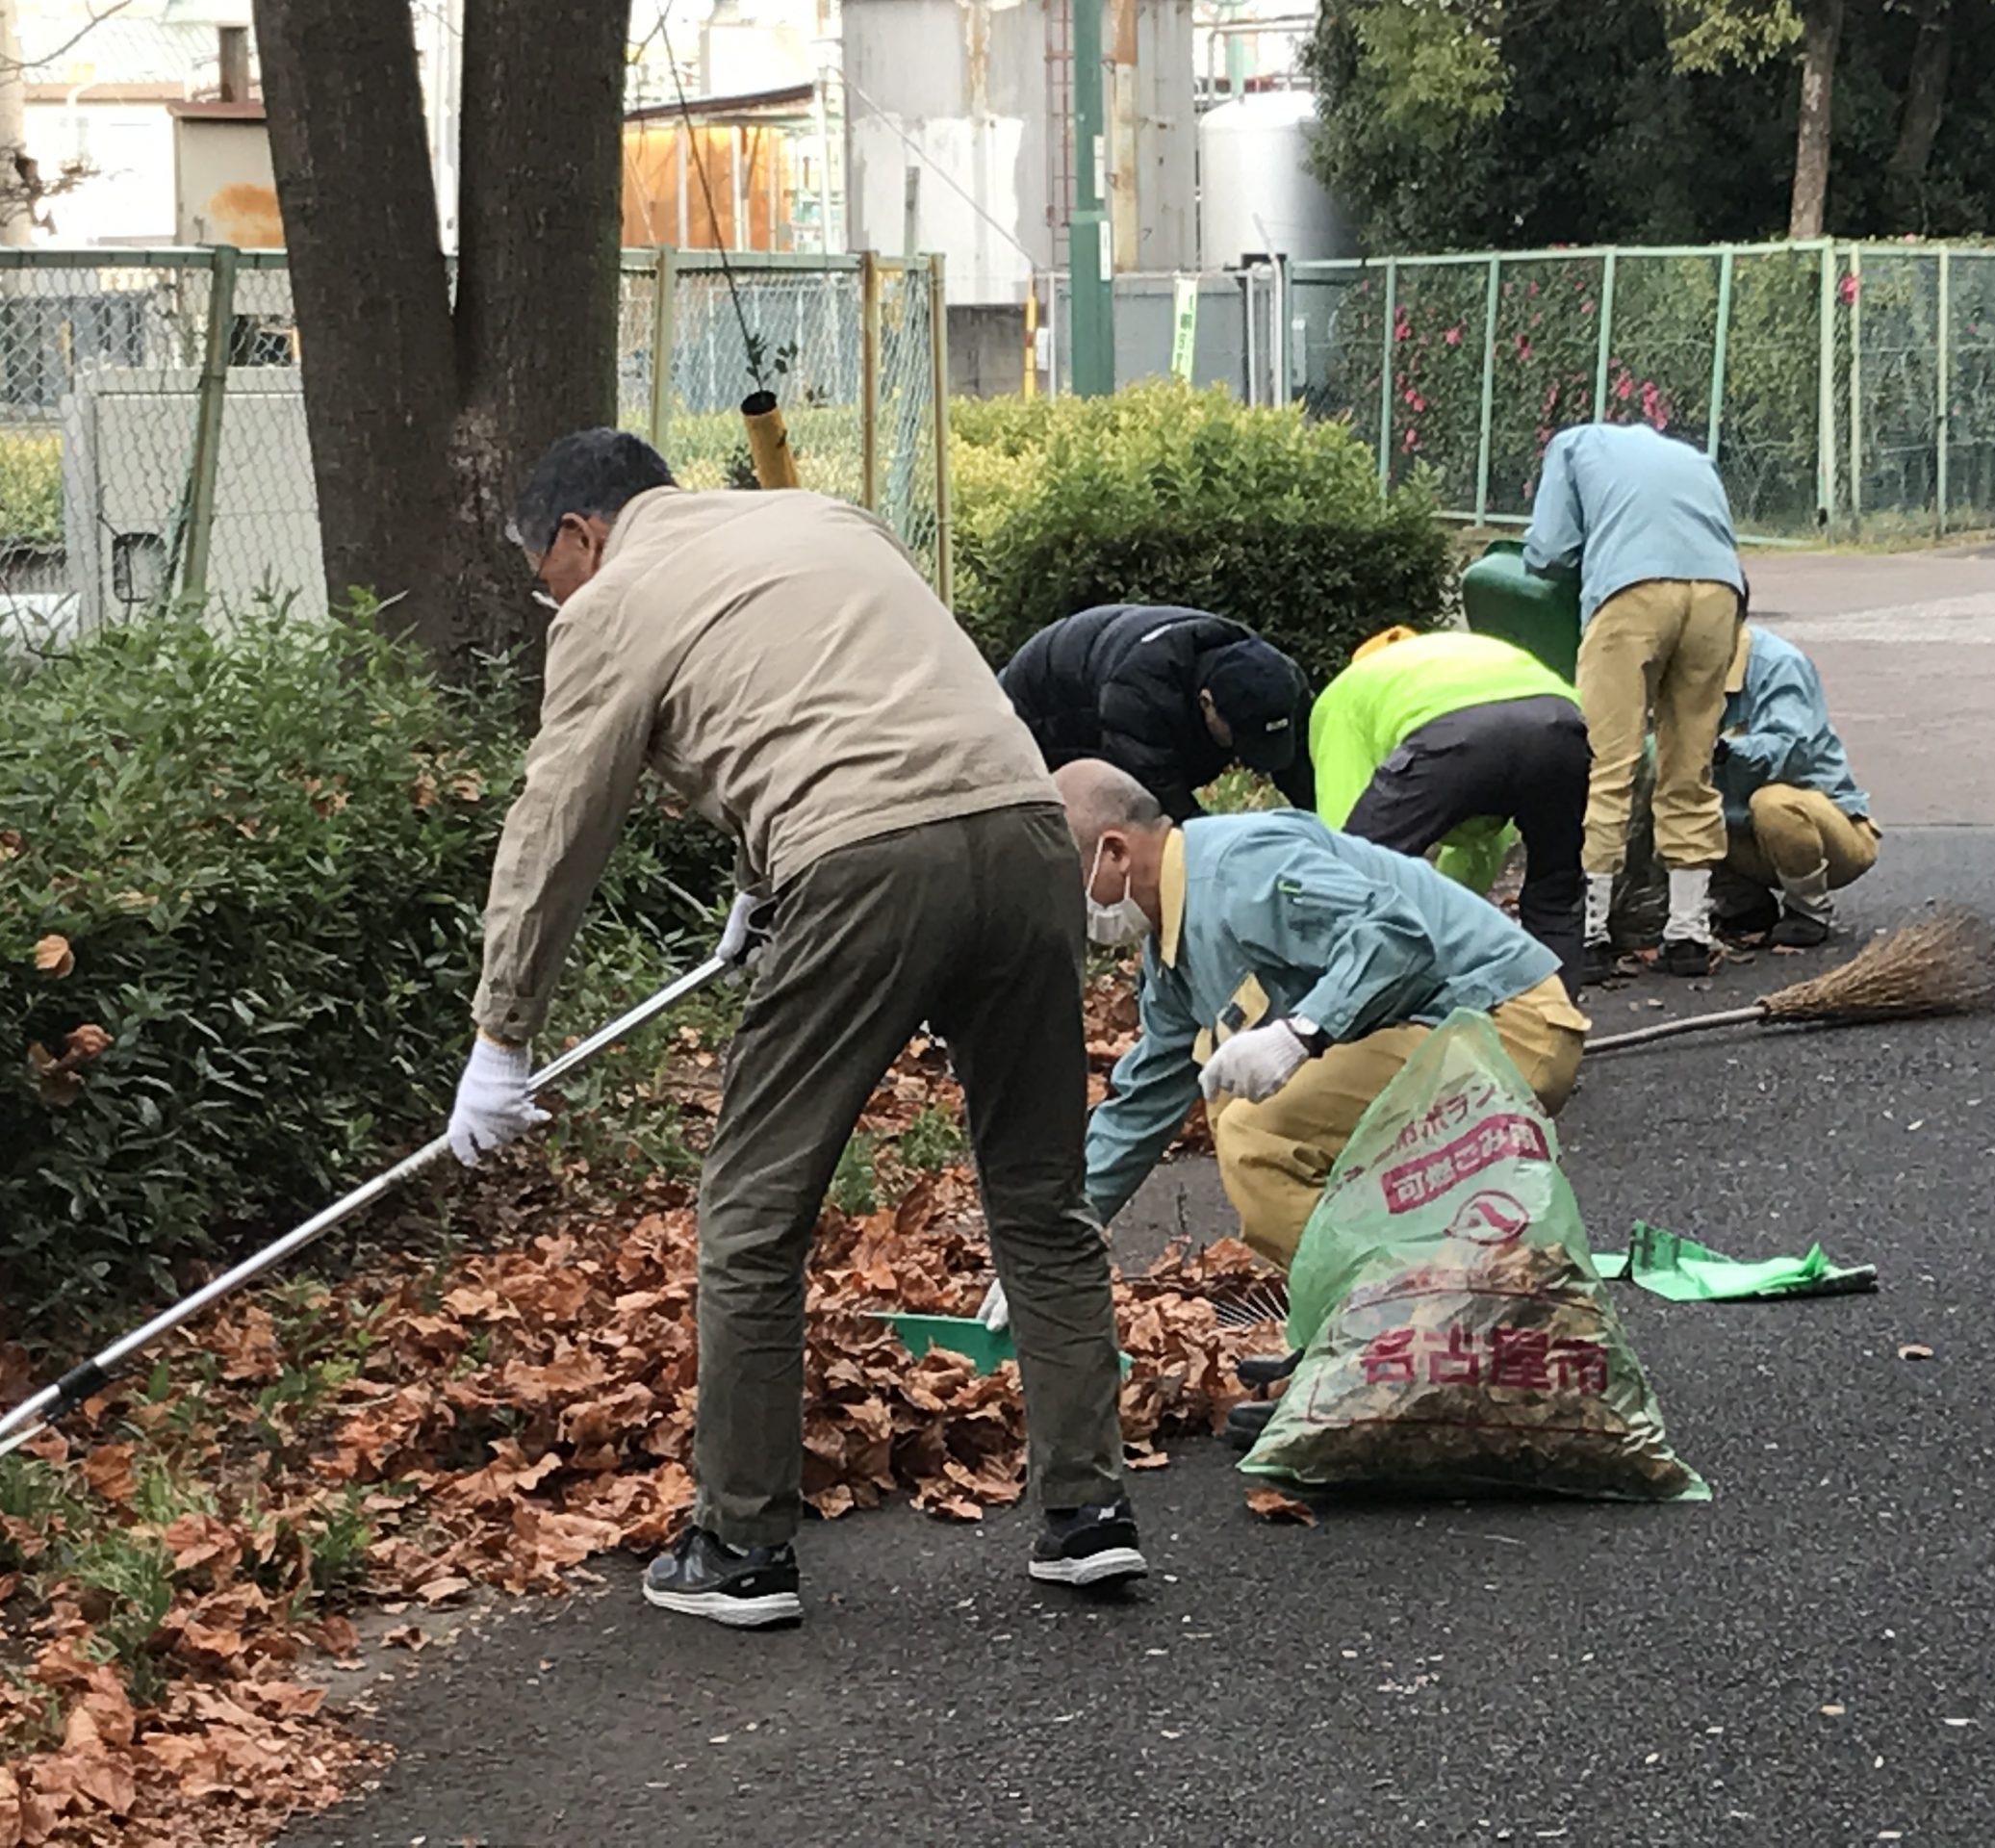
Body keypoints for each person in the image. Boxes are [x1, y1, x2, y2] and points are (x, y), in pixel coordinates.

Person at [446, 430, 1141, 1627]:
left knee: (752, 1212)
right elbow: (855, 693)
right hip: (1029, 836)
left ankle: (740, 1543)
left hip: (864, 859)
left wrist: (500, 1035)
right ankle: (1090, 1516)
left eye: (541, 573)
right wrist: (762, 887)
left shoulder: (613, 598)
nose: (549, 597)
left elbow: (559, 819)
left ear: (580, 536)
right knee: (1039, 1194)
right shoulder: (821, 518)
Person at [1062, 759, 1588, 1270]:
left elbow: (1396, 936)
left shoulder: (1241, 869)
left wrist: (1302, 1032)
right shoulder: (1171, 952)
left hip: (1507, 1020)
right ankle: (1409, 1301)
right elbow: (1144, 1100)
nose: (1062, 909)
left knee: (1256, 1134)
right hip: (1441, 1027)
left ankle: (1375, 1319)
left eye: (1064, 885)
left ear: (1115, 853)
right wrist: (1057, 1240)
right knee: (1240, 1100)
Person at [1524, 422, 1746, 979]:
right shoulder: (1693, 458)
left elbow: (1551, 551)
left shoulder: (1570, 445)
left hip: (1632, 592)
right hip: (1718, 594)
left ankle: (1590, 934)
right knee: (1690, 765)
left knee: (1605, 762)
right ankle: (1689, 932)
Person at [1309, 626, 1590, 993]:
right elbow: (1482, 847)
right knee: (1556, 887)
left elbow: (1345, 847)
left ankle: (1339, 1025)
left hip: (1450, 731)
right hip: (1558, 720)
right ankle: (1556, 1030)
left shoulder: (1345, 694)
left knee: (1354, 882)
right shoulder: (1468, 653)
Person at [998, 603, 1315, 819]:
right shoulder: (1142, 695)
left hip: (1107, 672)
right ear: (1206, 703)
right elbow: (1166, 807)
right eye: (1238, 737)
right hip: (1035, 715)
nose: (1243, 758)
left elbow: (1305, 773)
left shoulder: (1280, 680)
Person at [1711, 625, 1879, 948]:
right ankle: (1744, 902)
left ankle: (1809, 910)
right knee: (1675, 800)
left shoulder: (1778, 663)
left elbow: (1790, 748)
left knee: (1773, 804)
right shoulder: (1680, 663)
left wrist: (1723, 749)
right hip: (1741, 834)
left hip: (1829, 835)